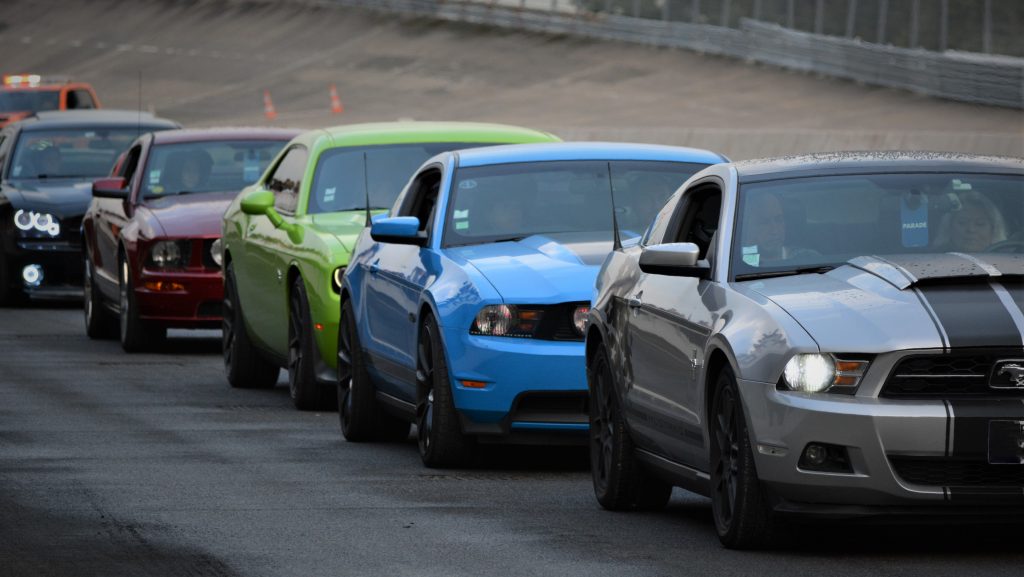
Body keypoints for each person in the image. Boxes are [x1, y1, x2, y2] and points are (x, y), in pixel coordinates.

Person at [740, 192, 818, 265]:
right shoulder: (739, 263)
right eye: (764, 223)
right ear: (749, 228)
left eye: (779, 220)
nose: (775, 230)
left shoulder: (808, 258)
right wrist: (749, 247)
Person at [933, 190, 1008, 252]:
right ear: (949, 226)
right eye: (963, 222)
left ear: (994, 229)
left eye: (980, 224)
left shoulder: (1007, 261)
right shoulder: (933, 259)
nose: (971, 229)